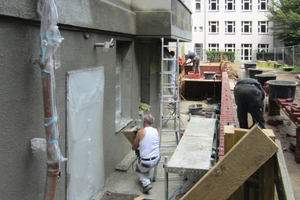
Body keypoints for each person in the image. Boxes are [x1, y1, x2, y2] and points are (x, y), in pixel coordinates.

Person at [133, 114, 160, 194]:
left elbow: (135, 146)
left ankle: (146, 184)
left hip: (145, 163)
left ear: (144, 121)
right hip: (156, 160)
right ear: (153, 122)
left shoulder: (141, 132)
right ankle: (148, 178)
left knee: (138, 168)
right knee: (147, 165)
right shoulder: (156, 131)